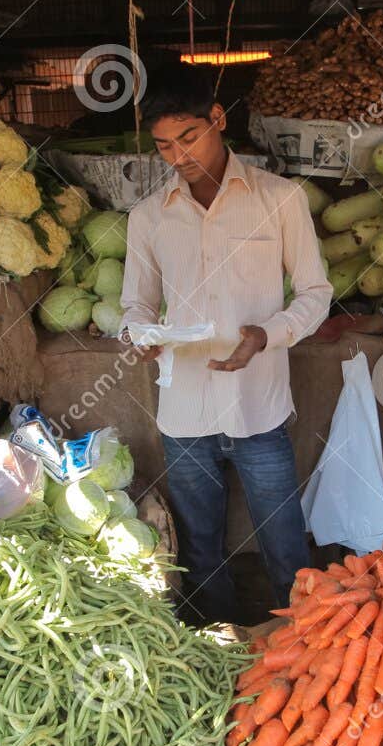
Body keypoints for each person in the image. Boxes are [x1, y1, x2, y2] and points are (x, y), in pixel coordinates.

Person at [120, 63, 332, 625]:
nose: (178, 156)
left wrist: (267, 335)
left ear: (217, 118)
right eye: (164, 145)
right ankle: (216, 643)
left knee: (284, 542)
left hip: (258, 406)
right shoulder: (148, 217)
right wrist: (139, 336)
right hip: (184, 412)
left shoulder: (280, 199)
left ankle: (302, 639)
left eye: (188, 137)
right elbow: (136, 305)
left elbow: (316, 293)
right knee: (198, 548)